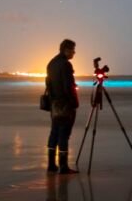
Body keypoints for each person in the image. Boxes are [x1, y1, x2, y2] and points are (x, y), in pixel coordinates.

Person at [45, 39, 79, 174]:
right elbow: (68, 87)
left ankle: (51, 165)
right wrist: (73, 102)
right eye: (73, 50)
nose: (74, 53)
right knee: (64, 134)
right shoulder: (65, 65)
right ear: (66, 49)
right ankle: (63, 166)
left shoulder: (51, 63)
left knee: (54, 132)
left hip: (54, 103)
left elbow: (48, 84)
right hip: (64, 103)